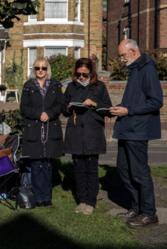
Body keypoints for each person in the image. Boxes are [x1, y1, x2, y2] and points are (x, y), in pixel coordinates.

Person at [110, 39, 163, 227]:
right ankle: (136, 208)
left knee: (140, 172)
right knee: (124, 170)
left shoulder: (147, 69)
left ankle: (149, 213)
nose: (121, 60)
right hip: (127, 129)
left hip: (138, 130)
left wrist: (128, 110)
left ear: (133, 52)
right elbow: (134, 100)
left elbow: (156, 101)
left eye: (123, 55)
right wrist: (120, 108)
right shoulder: (134, 69)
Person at [63, 58, 112, 215]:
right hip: (76, 133)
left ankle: (91, 201)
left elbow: (107, 109)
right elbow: (63, 110)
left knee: (91, 169)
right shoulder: (71, 87)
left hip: (93, 133)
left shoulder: (100, 87)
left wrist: (95, 104)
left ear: (91, 72)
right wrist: (69, 107)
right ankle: (82, 200)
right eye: (79, 74)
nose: (82, 77)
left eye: (85, 74)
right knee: (78, 169)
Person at [20, 57, 64, 207]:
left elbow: (60, 105)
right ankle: (38, 197)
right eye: (37, 68)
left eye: (43, 68)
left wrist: (49, 114)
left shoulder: (56, 85)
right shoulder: (28, 86)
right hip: (34, 128)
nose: (40, 71)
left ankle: (47, 197)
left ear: (47, 70)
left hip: (51, 128)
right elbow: (24, 108)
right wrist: (38, 114)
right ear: (34, 70)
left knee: (47, 164)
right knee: (36, 163)